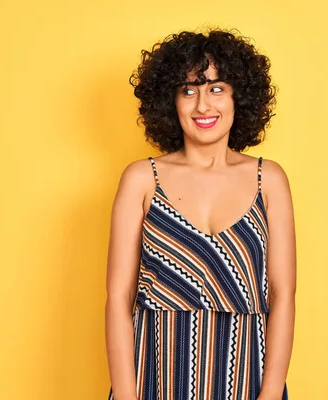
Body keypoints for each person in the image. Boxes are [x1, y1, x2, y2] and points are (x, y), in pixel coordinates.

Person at [105, 28, 296, 400]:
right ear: (170, 102)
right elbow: (118, 296)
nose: (203, 106)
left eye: (216, 88)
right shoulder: (142, 179)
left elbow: (283, 294)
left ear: (239, 95)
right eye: (188, 91)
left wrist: (270, 395)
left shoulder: (268, 180)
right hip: (154, 380)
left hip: (247, 381)